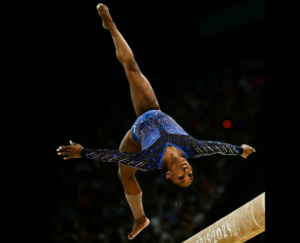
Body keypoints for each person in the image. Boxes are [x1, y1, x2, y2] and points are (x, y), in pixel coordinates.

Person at [57, 3, 256, 240]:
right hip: (152, 109)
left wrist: (84, 152)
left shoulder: (149, 161)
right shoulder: (193, 148)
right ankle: (110, 26)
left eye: (181, 178)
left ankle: (139, 217)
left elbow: (115, 156)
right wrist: (239, 150)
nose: (187, 172)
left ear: (168, 176)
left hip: (135, 136)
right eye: (190, 176)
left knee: (125, 176)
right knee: (131, 67)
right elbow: (218, 147)